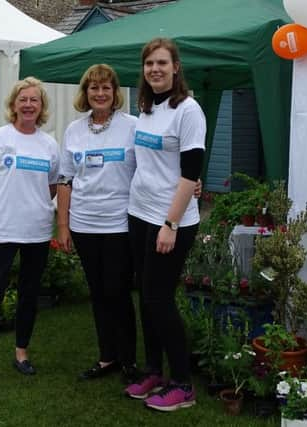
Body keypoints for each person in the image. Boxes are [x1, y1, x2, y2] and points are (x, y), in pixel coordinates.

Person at [124, 38, 206, 412]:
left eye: (161, 63)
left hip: (169, 221)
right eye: (148, 64)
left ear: (176, 67)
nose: (154, 69)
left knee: (160, 299)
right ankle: (154, 370)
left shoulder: (188, 111)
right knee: (147, 296)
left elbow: (190, 175)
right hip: (140, 214)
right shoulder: (147, 108)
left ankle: (183, 384)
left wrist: (170, 223)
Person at [0, 77, 60, 390]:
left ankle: (21, 353)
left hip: (37, 231)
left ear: (42, 106)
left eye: (35, 100)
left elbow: (53, 185)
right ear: (13, 105)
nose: (29, 104)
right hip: (2, 231)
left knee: (29, 296)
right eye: (23, 99)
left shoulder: (49, 144)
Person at [56, 64, 139, 384]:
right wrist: (63, 226)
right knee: (98, 293)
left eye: (106, 88)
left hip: (119, 223)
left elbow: (154, 164)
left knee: (117, 291)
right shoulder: (73, 130)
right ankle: (107, 357)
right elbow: (65, 180)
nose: (100, 93)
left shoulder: (132, 126)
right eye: (94, 88)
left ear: (115, 93)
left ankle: (129, 359)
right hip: (84, 224)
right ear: (85, 93)